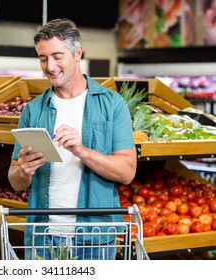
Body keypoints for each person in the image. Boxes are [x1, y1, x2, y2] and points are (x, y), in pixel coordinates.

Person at [8, 18, 137, 260]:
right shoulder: (33, 110)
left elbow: (127, 172)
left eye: (57, 56)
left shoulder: (112, 104)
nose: (50, 66)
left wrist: (82, 151)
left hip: (95, 235)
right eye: (43, 58)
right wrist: (23, 171)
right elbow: (15, 181)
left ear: (77, 53)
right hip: (42, 235)